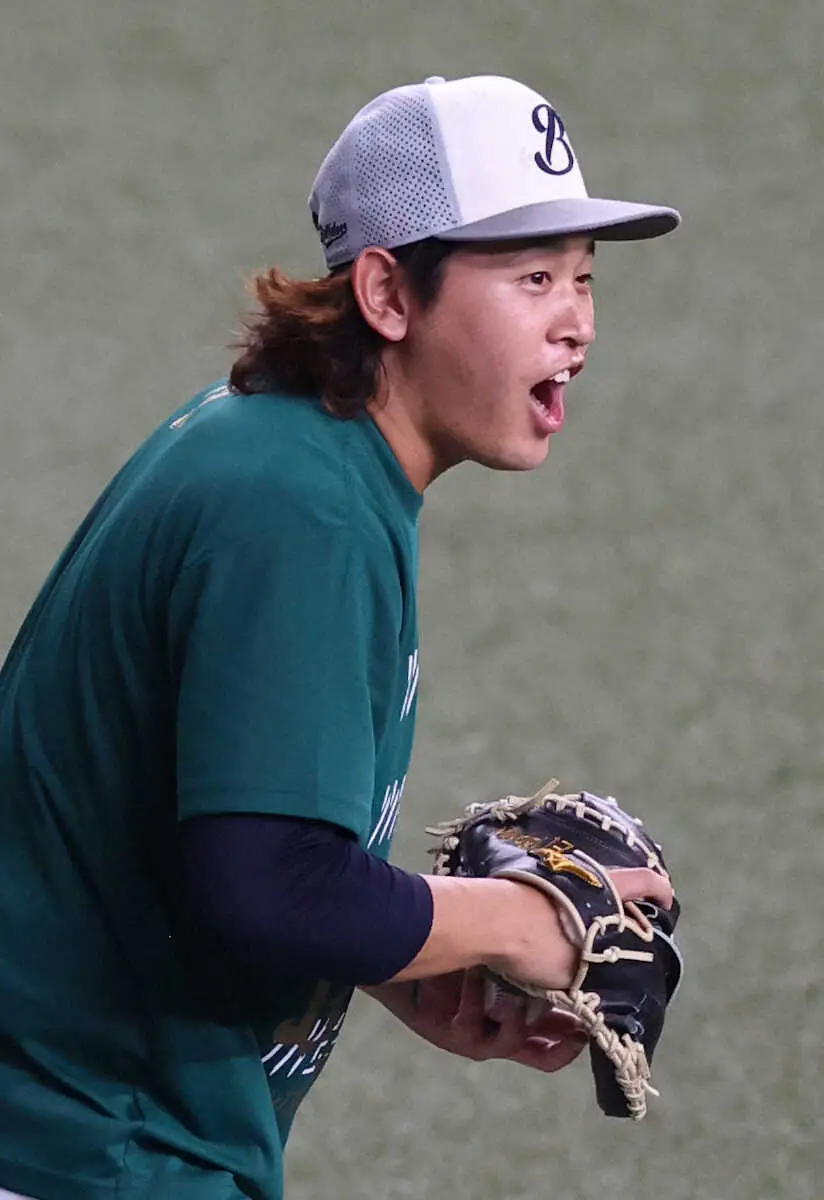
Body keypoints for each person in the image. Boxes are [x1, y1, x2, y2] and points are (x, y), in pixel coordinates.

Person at [0, 74, 679, 1200]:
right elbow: (262, 884)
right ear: (387, 293)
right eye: (530, 278)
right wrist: (515, 923)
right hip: (86, 1152)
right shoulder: (299, 510)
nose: (577, 321)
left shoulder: (289, 456)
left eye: (581, 278)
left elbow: (203, 834)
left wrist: (406, 963)